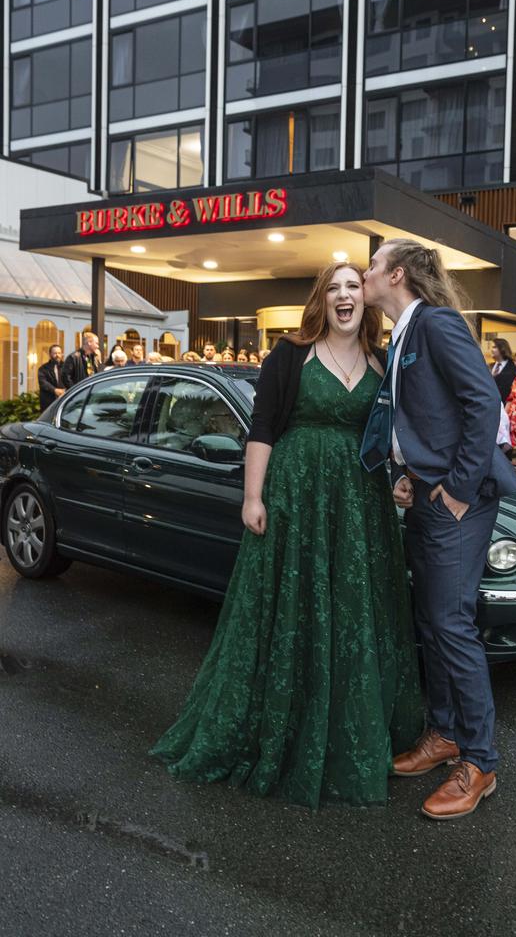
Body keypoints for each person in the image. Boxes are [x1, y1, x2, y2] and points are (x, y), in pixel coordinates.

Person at [151, 261, 423, 809]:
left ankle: (354, 734)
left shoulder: (384, 360)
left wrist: (406, 476)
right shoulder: (290, 355)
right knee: (293, 610)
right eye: (334, 289)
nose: (345, 296)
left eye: (354, 287)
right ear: (320, 301)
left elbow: (401, 428)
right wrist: (253, 497)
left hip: (360, 504)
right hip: (296, 497)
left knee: (353, 612)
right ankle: (288, 729)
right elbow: (264, 428)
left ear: (365, 300)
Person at [360, 238, 516, 821]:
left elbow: (482, 402)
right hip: (426, 495)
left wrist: (455, 487)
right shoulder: (403, 332)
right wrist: (406, 473)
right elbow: (424, 417)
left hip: (460, 501)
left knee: (452, 625)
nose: (364, 274)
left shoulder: (437, 323)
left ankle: (480, 761)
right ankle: (446, 735)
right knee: (432, 620)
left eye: (372, 268)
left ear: (396, 274)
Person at [37, 344, 65, 410]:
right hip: (48, 402)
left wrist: (65, 390)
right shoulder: (43, 368)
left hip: (64, 400)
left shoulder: (66, 367)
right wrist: (55, 390)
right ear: (50, 354)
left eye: (59, 353)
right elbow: (43, 382)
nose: (57, 355)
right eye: (55, 353)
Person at [490, 338, 516, 404]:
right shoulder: (489, 367)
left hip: (506, 406)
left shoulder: (514, 367)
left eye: (494, 347)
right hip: (490, 404)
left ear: (502, 348)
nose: (491, 350)